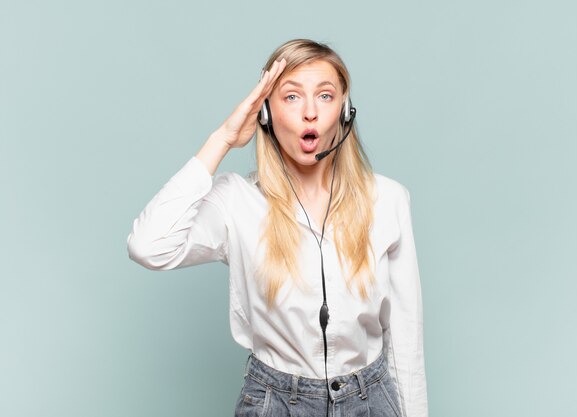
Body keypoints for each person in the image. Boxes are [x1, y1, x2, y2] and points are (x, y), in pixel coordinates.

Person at [127, 39, 428, 417]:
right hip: (276, 403)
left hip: (371, 400)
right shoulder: (235, 201)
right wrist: (221, 140)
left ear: (345, 111)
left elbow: (405, 339)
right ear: (265, 113)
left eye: (325, 95)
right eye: (291, 97)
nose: (309, 113)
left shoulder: (389, 199)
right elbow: (148, 245)